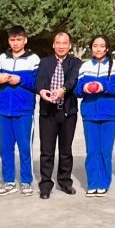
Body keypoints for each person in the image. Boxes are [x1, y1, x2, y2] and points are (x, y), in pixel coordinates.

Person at [0, 25, 40, 197]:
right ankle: (9, 182)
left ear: (25, 40)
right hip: (4, 109)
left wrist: (20, 79)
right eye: (12, 40)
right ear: (8, 41)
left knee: (24, 147)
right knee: (5, 148)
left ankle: (26, 181)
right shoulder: (2, 58)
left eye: (19, 39)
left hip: (24, 110)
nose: (15, 43)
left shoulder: (33, 59)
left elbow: (38, 83)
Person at [34, 31, 82, 199]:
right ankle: (45, 184)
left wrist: (63, 90)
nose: (61, 46)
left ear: (69, 45)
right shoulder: (45, 62)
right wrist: (41, 91)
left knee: (65, 150)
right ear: (53, 45)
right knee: (46, 151)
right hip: (48, 111)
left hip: (68, 111)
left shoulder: (76, 63)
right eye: (58, 43)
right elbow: (39, 81)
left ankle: (65, 181)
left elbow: (73, 80)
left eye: (65, 43)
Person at [76, 35, 115, 197]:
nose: (98, 48)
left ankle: (103, 182)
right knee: (92, 150)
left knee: (105, 151)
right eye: (95, 45)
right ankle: (92, 183)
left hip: (109, 113)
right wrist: (84, 88)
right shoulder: (85, 66)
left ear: (107, 48)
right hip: (89, 114)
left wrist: (103, 86)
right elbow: (77, 90)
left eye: (102, 46)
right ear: (91, 48)